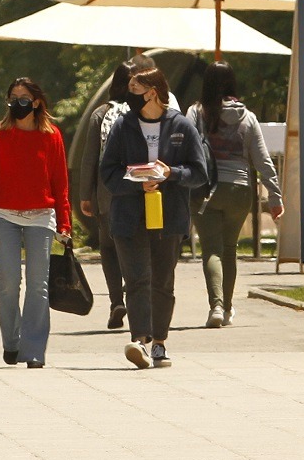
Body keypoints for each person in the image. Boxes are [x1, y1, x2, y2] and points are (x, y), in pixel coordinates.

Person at [102, 60, 211, 369]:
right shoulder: (123, 126)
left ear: (152, 93)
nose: (128, 95)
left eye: (134, 90)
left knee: (162, 280)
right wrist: (138, 180)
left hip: (169, 214)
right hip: (129, 213)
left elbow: (199, 172)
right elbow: (107, 173)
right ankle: (139, 340)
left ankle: (160, 341)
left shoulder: (181, 126)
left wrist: (170, 173)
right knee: (136, 279)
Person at [0, 77, 71, 369]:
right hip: (4, 215)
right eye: (13, 97)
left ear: (36, 102)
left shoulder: (52, 136)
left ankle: (34, 349)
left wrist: (65, 223)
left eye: (24, 97)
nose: (18, 102)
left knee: (39, 285)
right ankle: (11, 342)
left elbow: (60, 182)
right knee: (9, 281)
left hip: (40, 215)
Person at [189, 61, 283, 327]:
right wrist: (275, 198)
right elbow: (263, 161)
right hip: (240, 190)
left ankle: (216, 306)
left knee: (211, 249)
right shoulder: (248, 117)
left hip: (205, 189)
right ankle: (227, 308)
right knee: (229, 249)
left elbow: (185, 145)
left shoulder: (196, 113)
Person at [78, 57, 142, 330]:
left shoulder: (101, 114)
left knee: (108, 247)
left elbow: (90, 159)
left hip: (107, 191)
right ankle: (134, 295)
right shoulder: (144, 113)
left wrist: (85, 194)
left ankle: (116, 300)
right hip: (139, 188)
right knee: (135, 244)